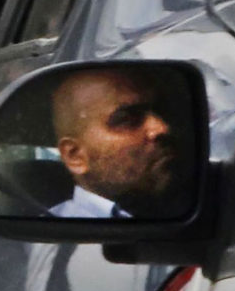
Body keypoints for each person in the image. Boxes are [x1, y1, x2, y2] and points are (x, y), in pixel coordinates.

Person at [47, 67, 182, 218]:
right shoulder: (51, 234)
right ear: (75, 156)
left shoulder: (188, 200)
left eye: (160, 111)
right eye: (127, 119)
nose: (161, 128)